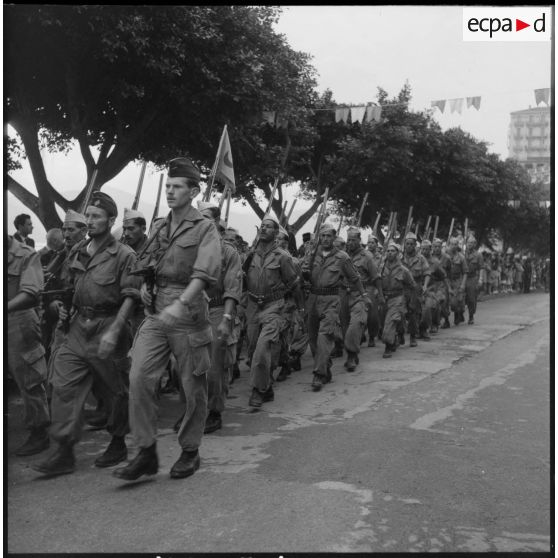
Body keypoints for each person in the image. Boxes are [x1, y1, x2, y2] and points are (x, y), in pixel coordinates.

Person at [113, 158, 221, 482]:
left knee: (193, 388)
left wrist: (181, 302)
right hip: (157, 312)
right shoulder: (161, 225)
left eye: (177, 187)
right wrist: (146, 285)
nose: (170, 192)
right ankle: (145, 452)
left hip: (188, 316)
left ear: (194, 191)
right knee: (139, 377)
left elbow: (205, 273)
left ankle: (190, 450)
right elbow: (149, 262)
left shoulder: (205, 228)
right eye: (168, 186)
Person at [35, 192, 142, 477]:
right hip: (78, 327)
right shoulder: (78, 250)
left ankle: (118, 441)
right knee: (63, 386)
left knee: (115, 391)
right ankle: (64, 451)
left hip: (110, 325)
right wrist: (60, 305)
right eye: (89, 216)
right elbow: (69, 284)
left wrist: (116, 329)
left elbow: (131, 297)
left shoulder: (123, 255)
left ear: (110, 220)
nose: (91, 221)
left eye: (97, 216)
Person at [244, 214, 302, 408]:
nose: (264, 228)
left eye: (268, 227)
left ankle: (257, 391)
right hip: (252, 307)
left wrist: (298, 308)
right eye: (262, 225)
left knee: (262, 349)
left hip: (274, 307)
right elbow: (242, 280)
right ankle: (266, 386)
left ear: (276, 232)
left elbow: (294, 284)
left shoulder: (283, 257)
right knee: (252, 350)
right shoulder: (250, 255)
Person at [302, 222, 365, 390]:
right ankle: (325, 365)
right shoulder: (312, 254)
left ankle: (319, 374)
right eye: (322, 235)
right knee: (313, 338)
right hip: (313, 298)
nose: (325, 239)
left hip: (331, 299)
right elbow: (302, 275)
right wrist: (304, 274)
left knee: (325, 336)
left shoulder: (342, 257)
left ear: (334, 237)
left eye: (328, 236)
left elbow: (355, 277)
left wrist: (364, 295)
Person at [197, 201, 242, 433]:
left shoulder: (229, 253)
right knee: (183, 365)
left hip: (217, 310)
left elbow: (232, 287)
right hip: (191, 311)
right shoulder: (190, 247)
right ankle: (193, 410)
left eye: (206, 217)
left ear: (216, 222)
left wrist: (226, 317)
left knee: (215, 367)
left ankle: (214, 412)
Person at [8, 235, 51, 456]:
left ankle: (39, 433)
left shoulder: (26, 254)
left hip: (19, 320)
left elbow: (31, 294)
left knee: (29, 379)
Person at [341, 227, 381, 371]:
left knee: (356, 324)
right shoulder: (342, 255)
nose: (350, 243)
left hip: (362, 293)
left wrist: (379, 294)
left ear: (359, 240)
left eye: (353, 240)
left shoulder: (367, 257)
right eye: (348, 240)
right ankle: (352, 349)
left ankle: (351, 355)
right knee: (345, 327)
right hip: (344, 294)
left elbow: (376, 277)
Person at [379, 242, 415, 358]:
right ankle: (396, 337)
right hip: (384, 299)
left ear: (398, 253)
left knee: (390, 323)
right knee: (384, 322)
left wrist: (409, 300)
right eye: (388, 251)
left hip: (397, 299)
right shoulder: (381, 268)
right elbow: (376, 282)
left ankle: (388, 347)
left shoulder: (403, 270)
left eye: (393, 251)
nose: (390, 253)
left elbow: (412, 285)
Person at [401, 232, 431, 344]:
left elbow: (427, 272)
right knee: (400, 312)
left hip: (415, 288)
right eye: (407, 244)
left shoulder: (421, 259)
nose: (409, 246)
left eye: (411, 244)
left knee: (413, 312)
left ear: (415, 245)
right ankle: (400, 334)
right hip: (402, 288)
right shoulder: (399, 257)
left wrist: (425, 285)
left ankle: (413, 336)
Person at [446, 237, 468, 325]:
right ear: (449, 245)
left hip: (457, 281)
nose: (454, 246)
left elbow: (465, 272)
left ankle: (458, 314)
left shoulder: (461, 257)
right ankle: (446, 320)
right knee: (445, 301)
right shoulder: (445, 256)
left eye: (456, 244)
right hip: (446, 280)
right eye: (452, 244)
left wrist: (463, 284)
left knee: (456, 302)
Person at [464, 236, 483, 324]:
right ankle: (458, 314)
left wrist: (480, 279)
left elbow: (481, 268)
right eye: (468, 242)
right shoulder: (462, 253)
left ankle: (471, 316)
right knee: (459, 298)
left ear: (475, 244)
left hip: (472, 278)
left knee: (471, 299)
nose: (470, 244)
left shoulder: (478, 255)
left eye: (472, 243)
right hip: (462, 277)